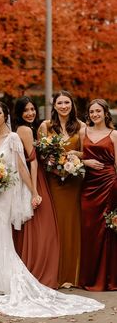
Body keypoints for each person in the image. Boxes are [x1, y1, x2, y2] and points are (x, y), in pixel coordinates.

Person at [0, 101, 104, 318]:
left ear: (6, 116)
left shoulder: (14, 137)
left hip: (6, 193)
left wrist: (33, 191)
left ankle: (7, 279)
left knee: (2, 235)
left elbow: (23, 166)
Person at [39, 90, 85, 288]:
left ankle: (72, 273)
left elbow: (87, 152)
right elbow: (39, 153)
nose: (64, 106)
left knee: (72, 223)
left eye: (67, 102)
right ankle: (55, 273)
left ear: (72, 105)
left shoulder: (81, 127)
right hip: (53, 181)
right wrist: (47, 159)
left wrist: (75, 155)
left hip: (73, 182)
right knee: (55, 224)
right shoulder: (46, 126)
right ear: (54, 105)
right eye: (60, 102)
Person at [13, 96, 59, 288]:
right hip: (33, 178)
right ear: (19, 113)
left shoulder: (31, 128)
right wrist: (34, 191)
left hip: (36, 176)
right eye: (26, 110)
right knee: (41, 225)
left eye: (32, 109)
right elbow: (31, 161)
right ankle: (37, 269)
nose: (30, 113)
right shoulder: (24, 129)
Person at [79, 99, 117, 291]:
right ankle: (89, 277)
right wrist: (86, 162)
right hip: (88, 186)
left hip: (109, 184)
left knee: (107, 229)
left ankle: (108, 279)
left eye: (98, 111)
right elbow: (78, 155)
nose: (94, 114)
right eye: (91, 111)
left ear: (105, 113)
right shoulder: (83, 131)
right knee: (89, 229)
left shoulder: (114, 135)